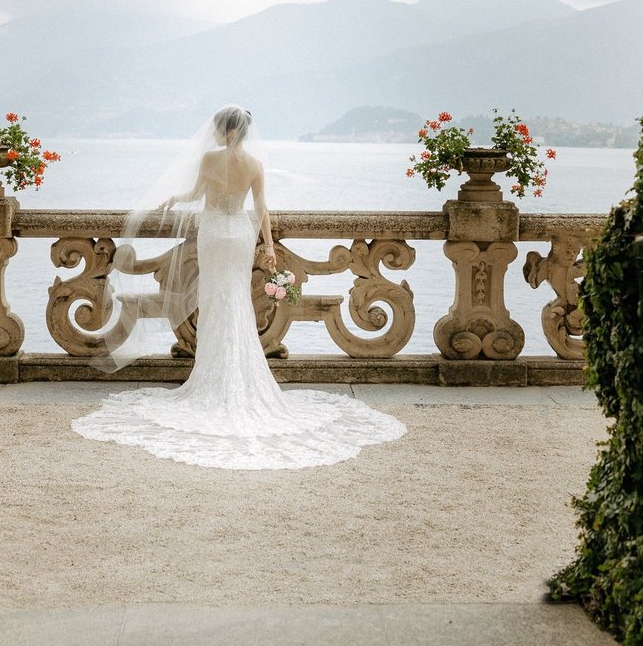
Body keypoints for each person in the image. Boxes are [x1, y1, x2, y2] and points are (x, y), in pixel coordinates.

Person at [71, 105, 405, 470]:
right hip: (240, 236)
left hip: (214, 233)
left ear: (229, 131)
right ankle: (243, 378)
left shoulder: (209, 160)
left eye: (218, 128)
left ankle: (211, 377)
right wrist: (269, 247)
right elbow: (261, 209)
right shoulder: (255, 165)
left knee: (215, 300)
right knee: (236, 301)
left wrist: (173, 200)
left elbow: (196, 194)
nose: (214, 133)